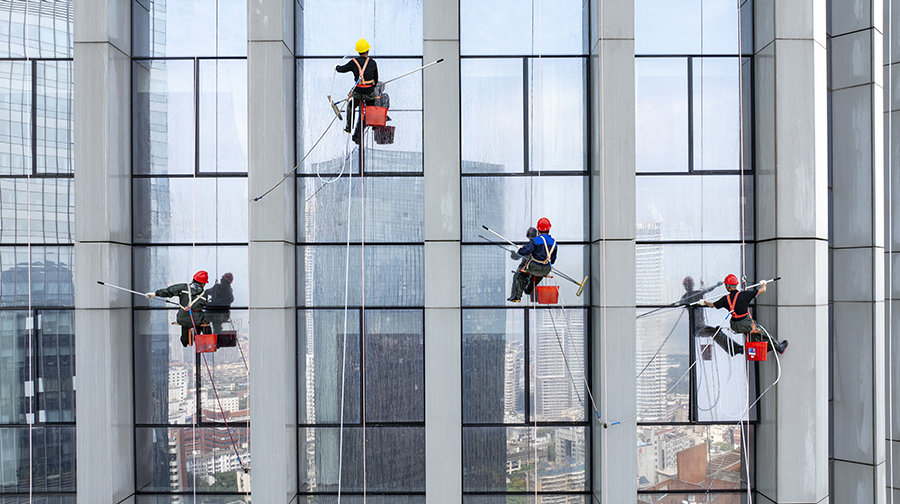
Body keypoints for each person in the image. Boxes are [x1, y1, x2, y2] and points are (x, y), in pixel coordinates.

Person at [700, 274, 788, 355]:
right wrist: (764, 283)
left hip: (735, 326)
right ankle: (778, 347)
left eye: (726, 285)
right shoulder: (745, 295)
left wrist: (704, 302)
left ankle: (749, 349)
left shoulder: (725, 299)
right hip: (746, 324)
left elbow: (712, 305)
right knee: (762, 332)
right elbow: (763, 290)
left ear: (728, 287)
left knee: (753, 336)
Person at [146, 271, 210, 348]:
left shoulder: (184, 288)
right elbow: (203, 305)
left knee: (186, 321)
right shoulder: (204, 295)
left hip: (182, 318)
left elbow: (169, 291)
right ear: (203, 284)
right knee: (204, 319)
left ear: (193, 280)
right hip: (196, 320)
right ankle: (204, 340)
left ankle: (185, 341)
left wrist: (155, 294)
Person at [679, 276, 739, 355]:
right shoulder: (685, 298)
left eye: (689, 285)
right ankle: (734, 349)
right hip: (694, 327)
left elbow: (707, 290)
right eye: (686, 285)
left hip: (700, 326)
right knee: (714, 332)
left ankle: (734, 349)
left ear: (692, 285)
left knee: (715, 332)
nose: (688, 287)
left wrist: (716, 285)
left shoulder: (696, 294)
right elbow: (681, 304)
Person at [336, 38, 379, 144]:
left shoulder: (353, 62)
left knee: (351, 107)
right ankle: (373, 125)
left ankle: (349, 127)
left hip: (358, 92)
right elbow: (376, 79)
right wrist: (371, 87)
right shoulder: (372, 62)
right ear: (367, 51)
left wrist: (336, 67)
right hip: (369, 92)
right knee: (371, 107)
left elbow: (342, 69)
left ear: (358, 51)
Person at [508, 218, 557, 302]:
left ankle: (517, 296)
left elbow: (523, 252)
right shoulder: (554, 242)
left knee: (520, 275)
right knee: (537, 276)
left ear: (538, 230)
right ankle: (528, 290)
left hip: (532, 268)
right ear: (549, 229)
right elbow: (552, 260)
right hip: (545, 269)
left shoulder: (535, 242)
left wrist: (520, 250)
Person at [509, 227, 539, 300]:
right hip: (528, 267)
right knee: (518, 277)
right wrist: (513, 254)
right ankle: (515, 295)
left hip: (529, 268)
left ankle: (515, 296)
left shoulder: (529, 247)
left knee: (517, 276)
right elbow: (517, 257)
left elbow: (517, 257)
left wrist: (514, 255)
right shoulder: (533, 246)